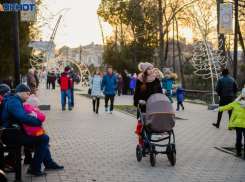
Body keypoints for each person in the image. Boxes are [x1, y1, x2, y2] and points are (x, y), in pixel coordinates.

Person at [1, 84, 64, 176]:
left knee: (42, 136)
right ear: (19, 92)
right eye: (26, 94)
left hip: (13, 132)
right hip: (10, 135)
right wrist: (39, 123)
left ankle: (48, 163)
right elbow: (24, 117)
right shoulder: (13, 102)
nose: (28, 96)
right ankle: (35, 167)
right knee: (44, 139)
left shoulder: (15, 100)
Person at [133, 62, 162, 148]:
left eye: (152, 68)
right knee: (145, 125)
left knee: (152, 124)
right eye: (149, 69)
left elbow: (159, 93)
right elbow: (136, 95)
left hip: (154, 106)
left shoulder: (156, 80)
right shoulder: (140, 80)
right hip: (144, 107)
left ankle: (148, 142)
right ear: (145, 71)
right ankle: (145, 142)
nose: (151, 70)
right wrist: (139, 101)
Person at [213, 88, 245, 157]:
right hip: (238, 124)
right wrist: (219, 109)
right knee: (238, 139)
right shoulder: (237, 102)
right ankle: (238, 152)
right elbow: (228, 106)